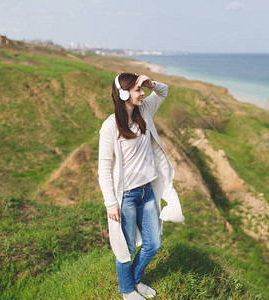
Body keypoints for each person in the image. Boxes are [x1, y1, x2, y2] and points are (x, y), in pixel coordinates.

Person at [98, 73, 185, 299]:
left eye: (141, 89)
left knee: (153, 244)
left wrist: (150, 83)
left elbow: (163, 92)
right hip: (125, 196)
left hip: (147, 191)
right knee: (125, 248)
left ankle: (135, 281)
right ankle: (127, 291)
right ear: (124, 94)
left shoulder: (144, 110)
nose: (143, 93)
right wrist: (110, 203)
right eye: (138, 90)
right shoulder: (110, 127)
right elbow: (103, 169)